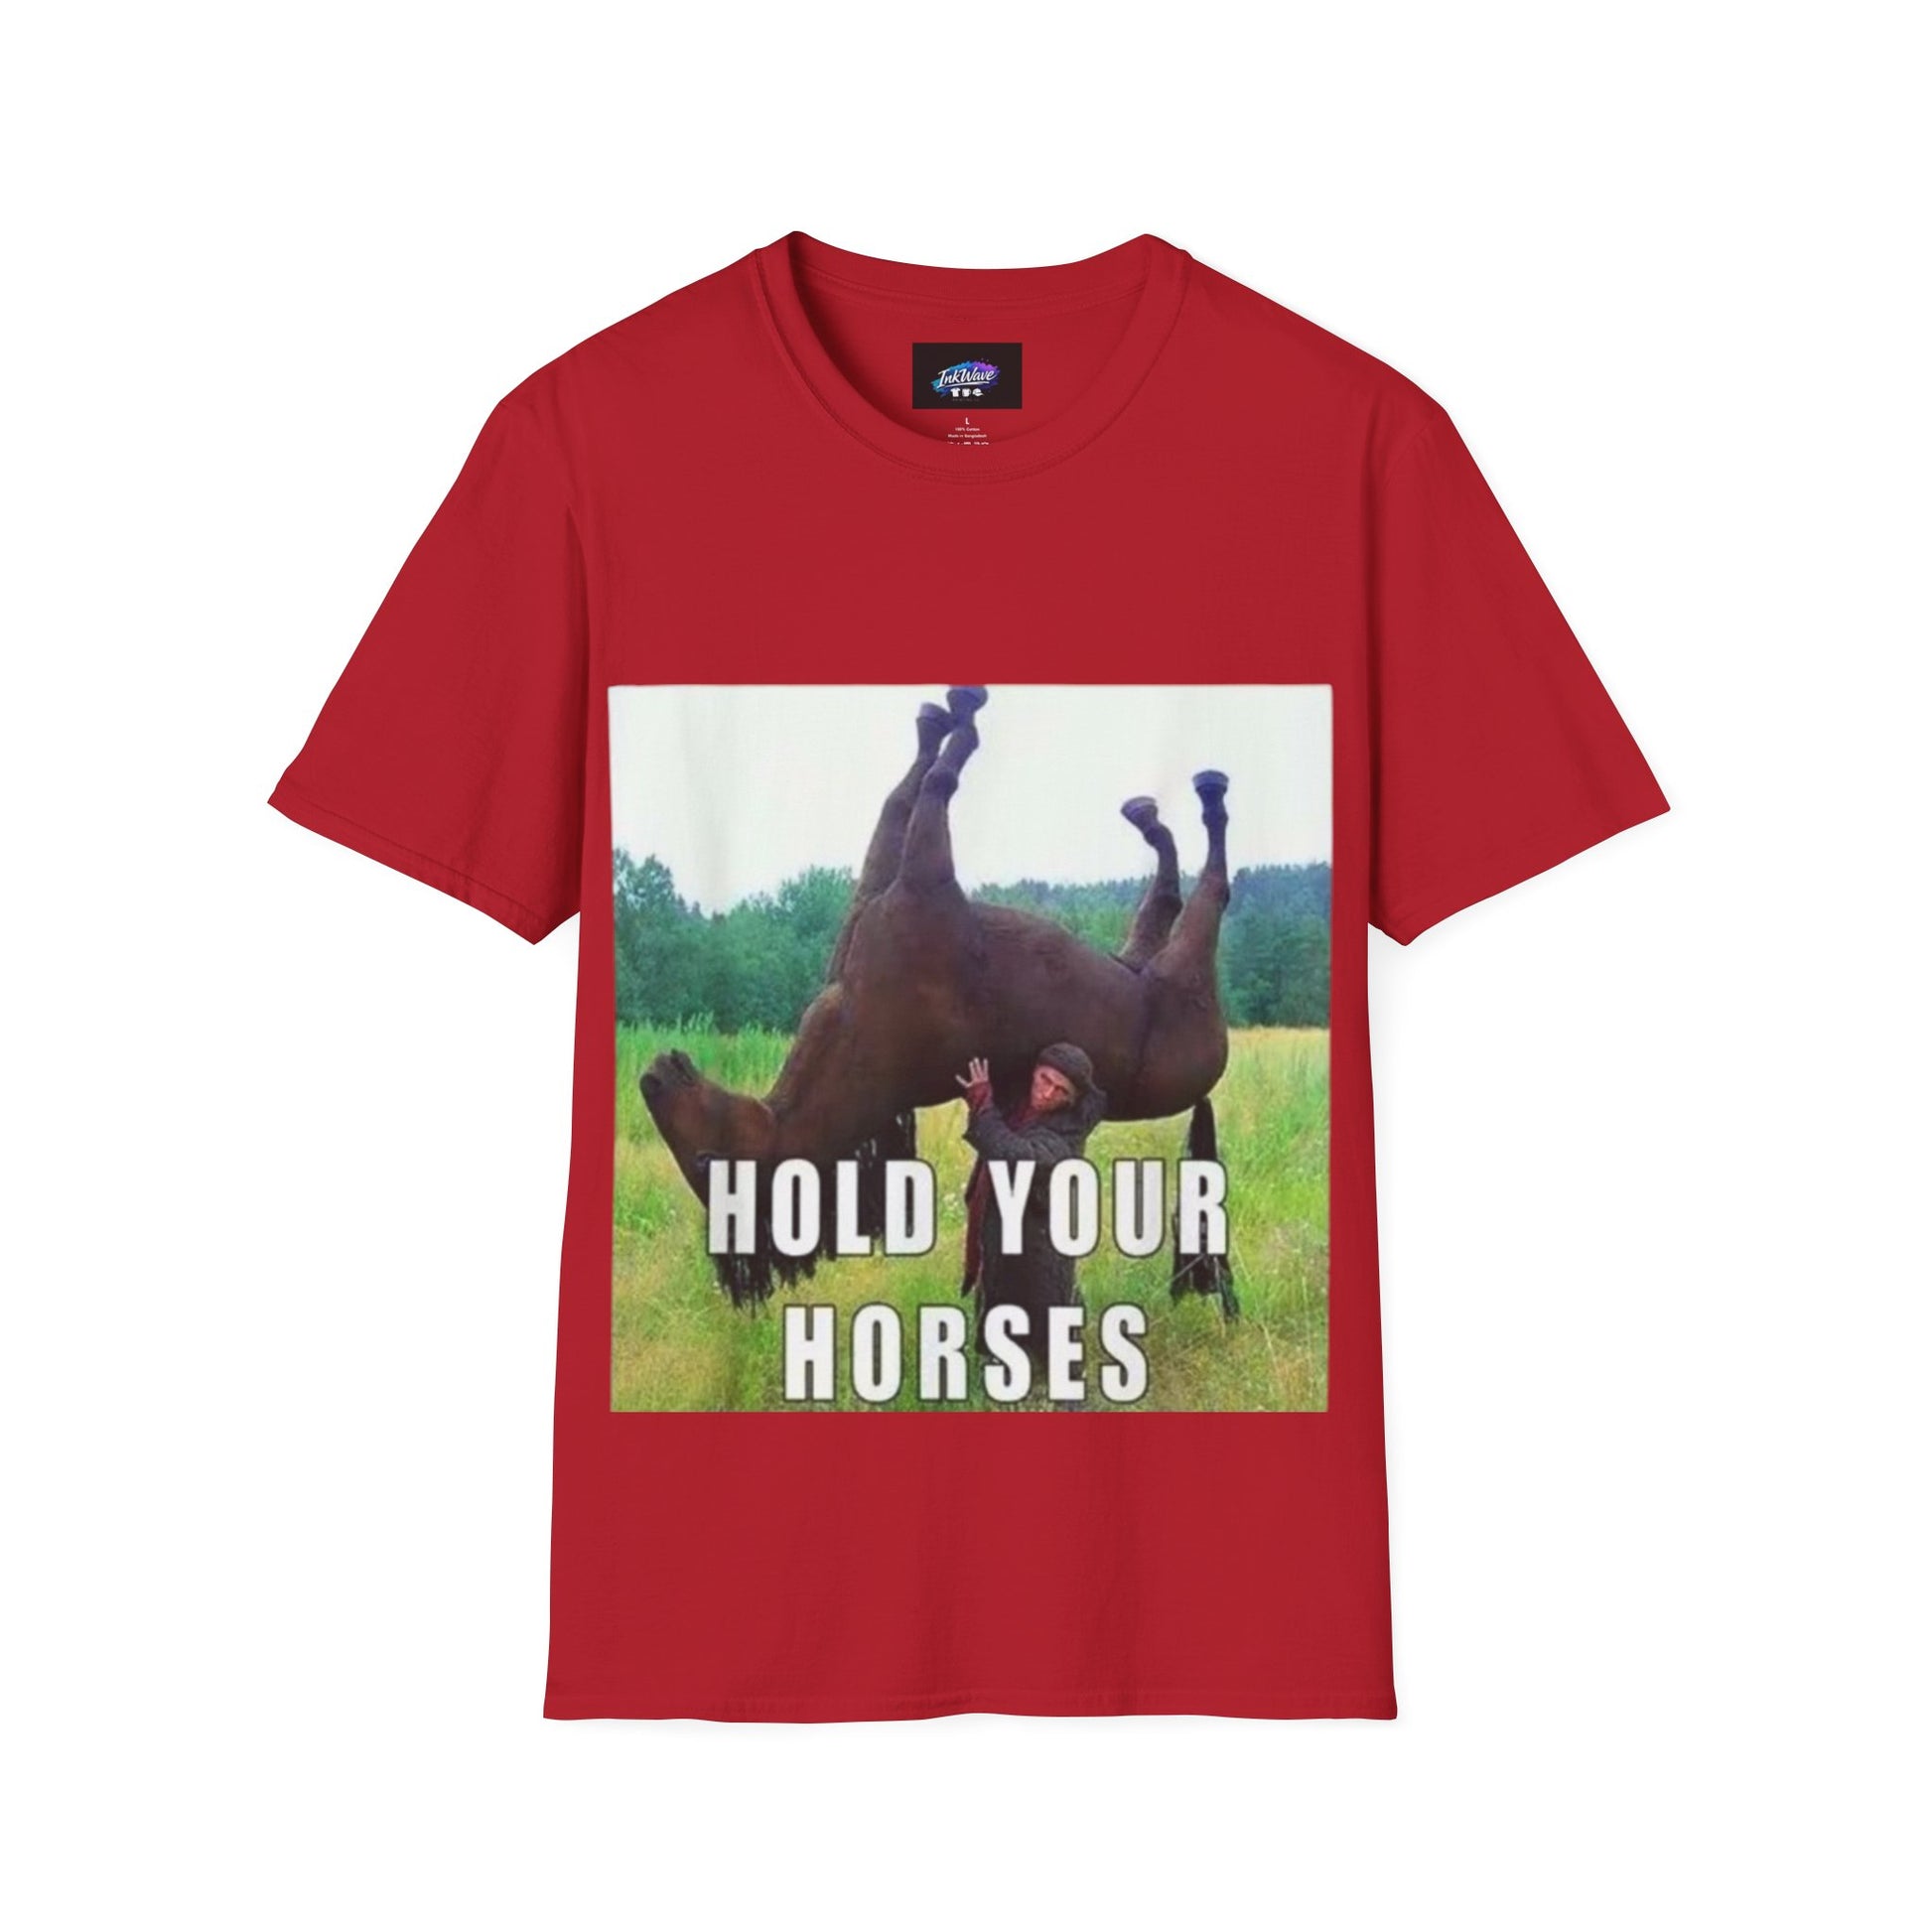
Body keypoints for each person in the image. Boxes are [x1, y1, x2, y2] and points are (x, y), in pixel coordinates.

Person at [955, 1043, 1108, 1366]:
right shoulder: (1019, 1104)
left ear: (1071, 1100)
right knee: (997, 1280)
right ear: (1034, 1072)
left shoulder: (1066, 1131)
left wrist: (982, 1104)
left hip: (1039, 1230)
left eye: (1061, 1090)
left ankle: (1064, 1373)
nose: (1047, 1093)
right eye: (1044, 1079)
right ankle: (1002, 1354)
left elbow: (1019, 1157)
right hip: (1006, 1220)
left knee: (1043, 1293)